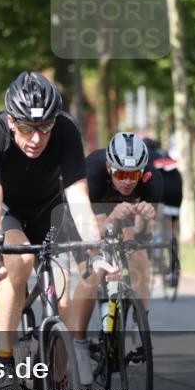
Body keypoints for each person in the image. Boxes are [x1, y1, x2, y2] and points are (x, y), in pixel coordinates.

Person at [0, 71, 116, 387]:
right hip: (4, 207)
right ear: (11, 121)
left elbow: (78, 198)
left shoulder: (65, 131)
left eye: (45, 128)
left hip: (45, 208)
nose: (36, 139)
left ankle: (59, 381)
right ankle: (5, 359)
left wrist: (95, 249)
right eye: (27, 128)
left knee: (63, 297)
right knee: (18, 261)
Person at [74, 133, 162, 340]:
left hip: (124, 212)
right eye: (121, 175)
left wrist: (144, 216)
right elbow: (92, 231)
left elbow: (143, 234)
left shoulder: (152, 178)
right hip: (89, 215)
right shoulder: (92, 174)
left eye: (134, 175)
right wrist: (112, 217)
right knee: (92, 273)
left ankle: (140, 317)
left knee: (139, 255)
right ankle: (79, 342)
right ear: (109, 168)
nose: (128, 182)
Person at [142, 135, 182, 239]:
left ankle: (155, 245)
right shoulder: (166, 155)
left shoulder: (146, 157)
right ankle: (174, 249)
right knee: (171, 227)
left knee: (153, 224)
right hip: (175, 197)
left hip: (158, 195)